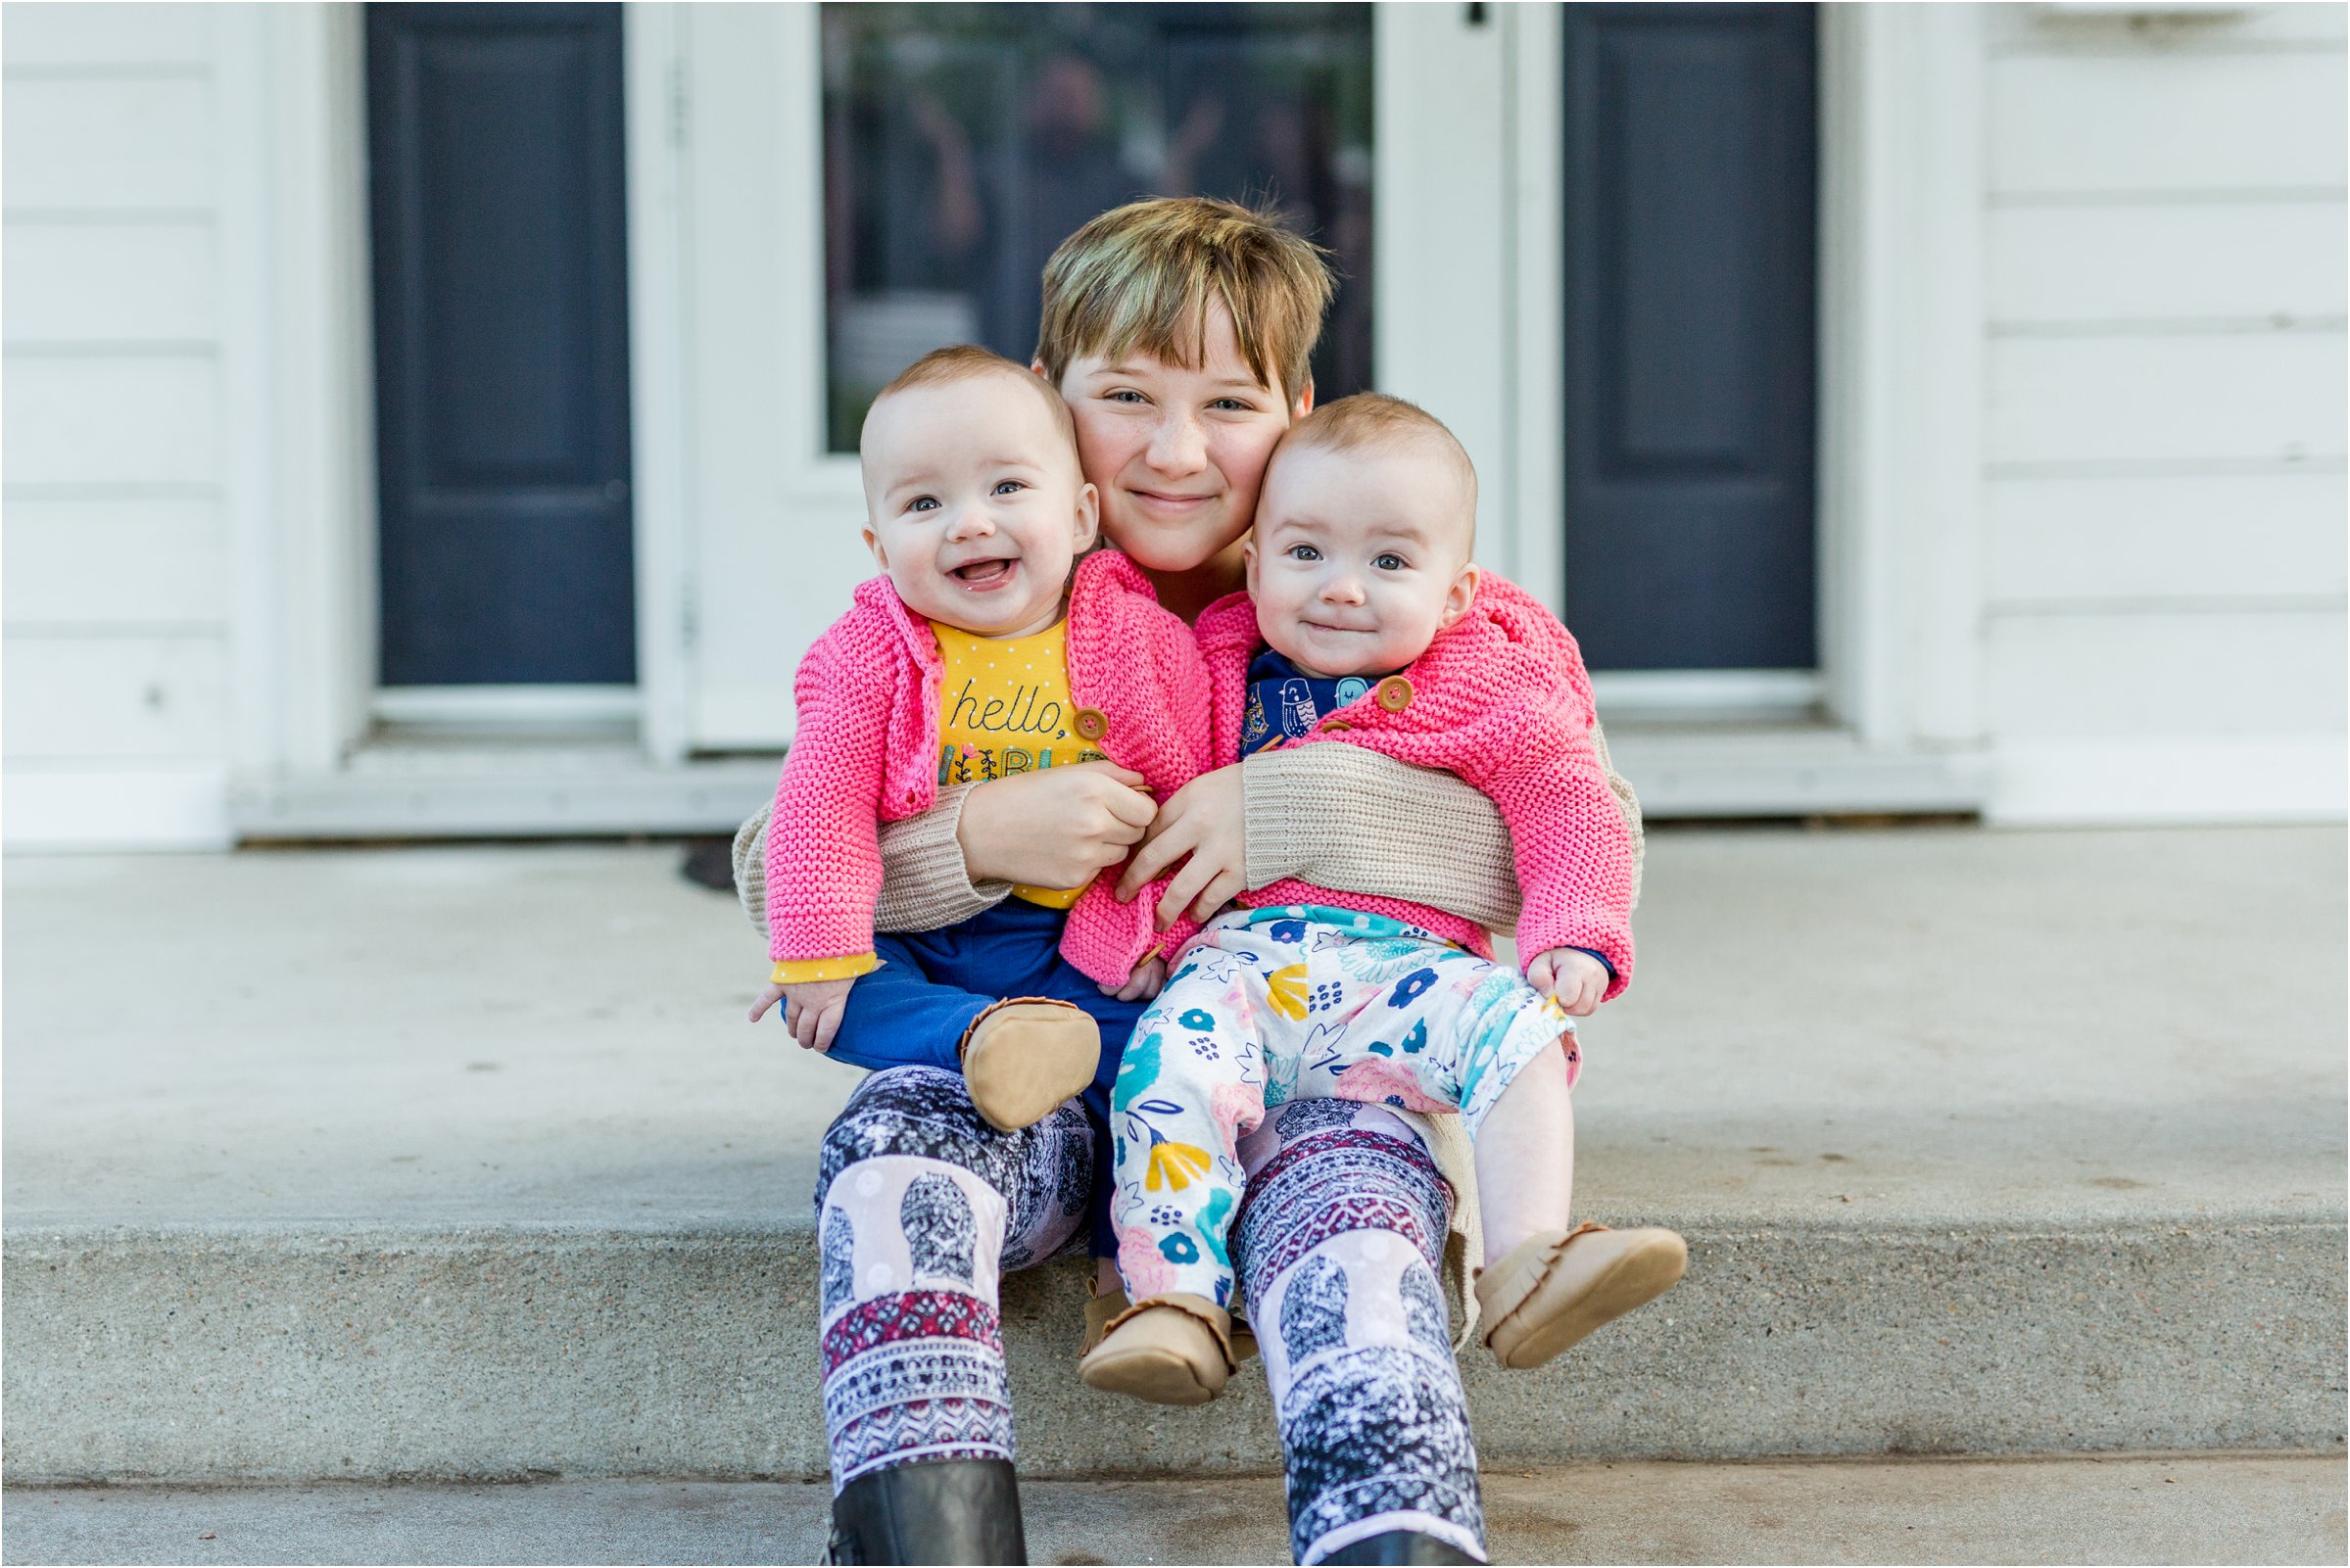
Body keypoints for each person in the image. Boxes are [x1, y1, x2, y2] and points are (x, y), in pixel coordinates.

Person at [737, 197, 1646, 1566]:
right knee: (892, 1156)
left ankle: (1389, 1539)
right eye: (1123, 398)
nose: (1174, 451)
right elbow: (776, 869)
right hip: (1039, 1085)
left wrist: (1285, 799)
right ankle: (927, 1540)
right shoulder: (986, 575)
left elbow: (1566, 827)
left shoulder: (1399, 586)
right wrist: (977, 841)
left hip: (1296, 1084)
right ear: (1047, 401)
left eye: (1227, 402)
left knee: (1351, 1225)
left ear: (1297, 405)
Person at [1080, 395, 1682, 1407]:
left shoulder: (1486, 680)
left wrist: (1572, 926)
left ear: (1455, 595)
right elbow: (1147, 800)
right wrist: (1135, 936)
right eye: (1306, 552)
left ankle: (1526, 1259)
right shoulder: (1210, 662)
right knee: (1166, 1066)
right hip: (1238, 969)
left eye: (1389, 564)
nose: (1342, 590)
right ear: (1256, 561)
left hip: (1407, 974)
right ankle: (1174, 1299)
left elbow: (1567, 799)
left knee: (1521, 1031)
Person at [748, 346, 1203, 1152]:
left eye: (1006, 487)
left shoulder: (1144, 643)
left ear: (1078, 518)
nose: (969, 521)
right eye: (923, 503)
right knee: (819, 994)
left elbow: (1183, 792)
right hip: (924, 939)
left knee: (1161, 1045)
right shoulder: (864, 653)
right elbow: (821, 803)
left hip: (1073, 940)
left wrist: (1155, 934)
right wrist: (818, 948)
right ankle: (979, 1039)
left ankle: (1116, 1234)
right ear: (880, 547)